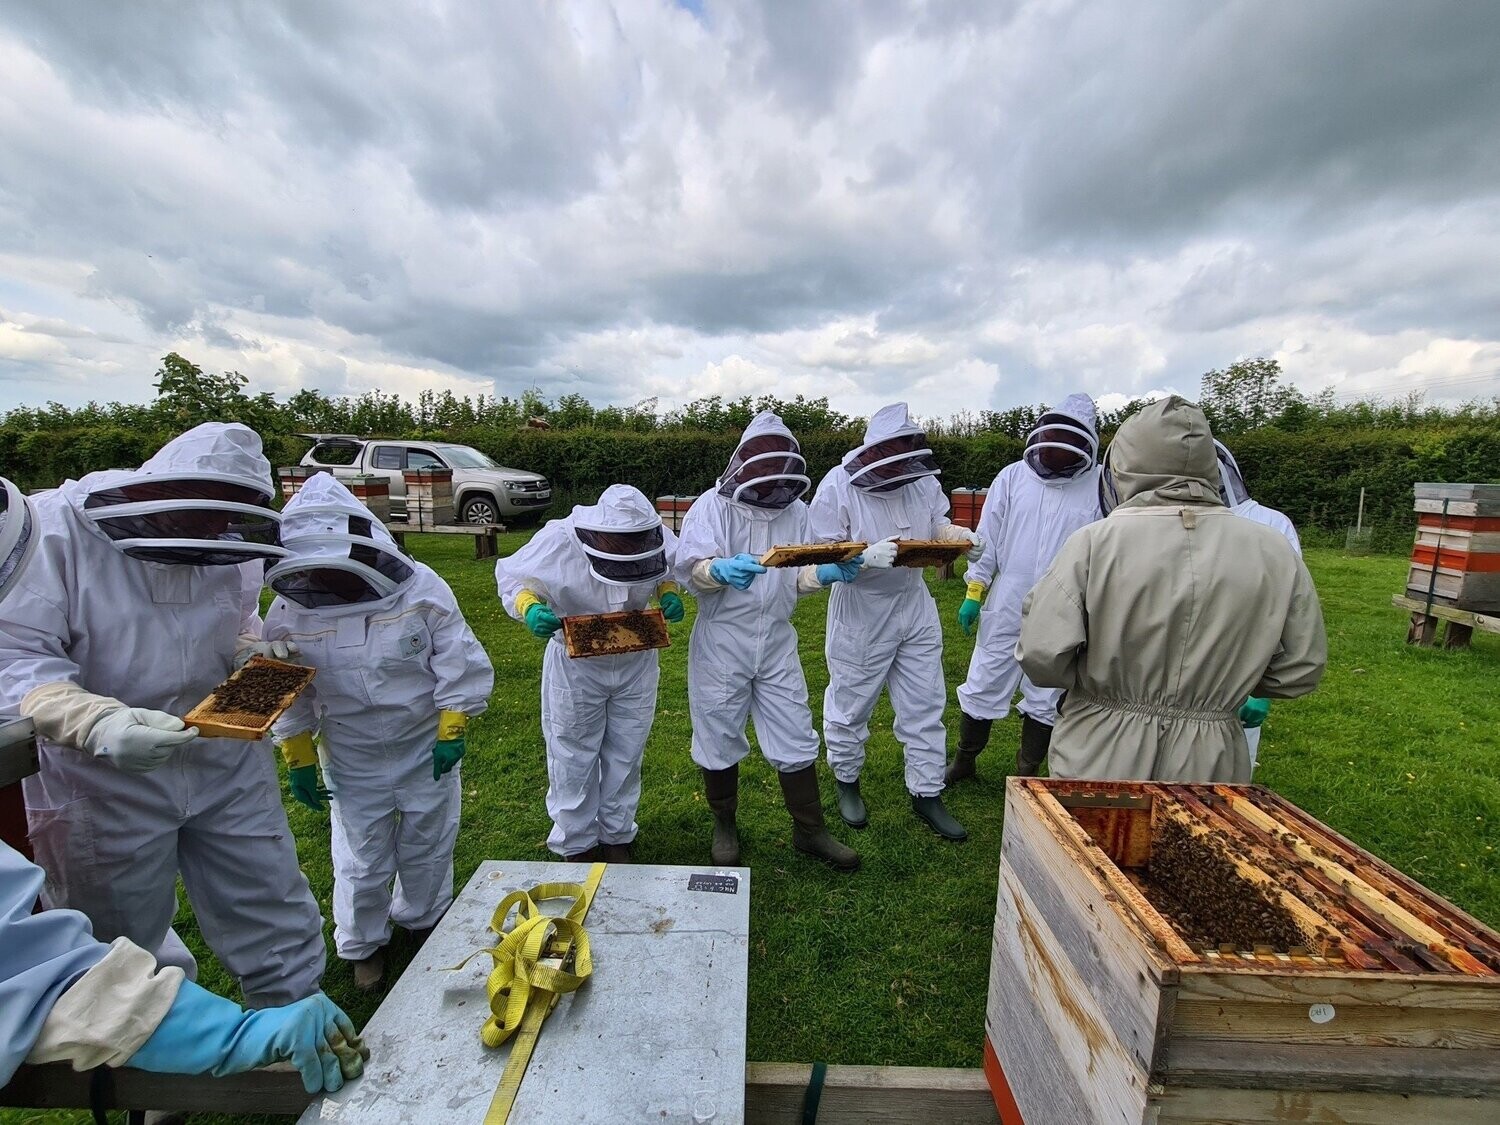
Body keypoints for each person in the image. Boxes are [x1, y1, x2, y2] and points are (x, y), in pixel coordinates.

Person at [0, 475, 360, 1094]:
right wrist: (95, 719)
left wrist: (257, 657)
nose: (213, 541)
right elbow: (16, 657)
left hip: (224, 755)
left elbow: (234, 622)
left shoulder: (229, 540)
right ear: (156, 497)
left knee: (267, 894)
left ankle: (301, 1032)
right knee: (117, 927)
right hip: (103, 772)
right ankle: (161, 1068)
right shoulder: (56, 534)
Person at [1016, 396, 1327, 782]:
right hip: (1213, 756)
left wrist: (1095, 679)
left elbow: (1042, 654)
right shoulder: (1274, 549)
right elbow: (1303, 666)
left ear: (1126, 463)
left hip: (1101, 747)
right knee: (1197, 840)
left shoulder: (1095, 543)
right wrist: (1228, 684)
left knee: (1093, 841)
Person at [264, 474, 494, 992]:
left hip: (421, 740)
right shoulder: (286, 612)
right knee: (362, 854)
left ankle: (423, 917)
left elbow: (458, 661)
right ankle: (362, 941)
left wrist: (452, 725)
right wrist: (298, 754)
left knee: (428, 839)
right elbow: (289, 688)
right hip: (349, 750)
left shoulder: (423, 589)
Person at [677, 411, 864, 871]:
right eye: (762, 468)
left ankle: (810, 830)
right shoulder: (712, 507)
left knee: (796, 731)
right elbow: (690, 569)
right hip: (723, 640)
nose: (771, 481)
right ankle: (725, 823)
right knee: (718, 731)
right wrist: (715, 570)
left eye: (778, 470)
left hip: (778, 639)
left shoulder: (796, 511)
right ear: (745, 463)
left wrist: (821, 572)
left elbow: (795, 572)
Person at [807, 403, 978, 840]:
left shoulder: (920, 480)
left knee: (925, 701)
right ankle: (847, 781)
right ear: (876, 449)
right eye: (895, 450)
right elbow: (822, 551)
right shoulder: (838, 485)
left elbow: (936, 523)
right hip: (861, 610)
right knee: (851, 703)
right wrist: (860, 558)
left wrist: (957, 537)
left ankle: (927, 792)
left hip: (914, 602)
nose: (902, 459)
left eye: (907, 449)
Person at [496, 485, 682, 864]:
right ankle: (577, 842)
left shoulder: (655, 534)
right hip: (577, 665)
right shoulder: (559, 538)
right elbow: (511, 576)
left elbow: (672, 567)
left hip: (637, 660)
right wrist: (528, 605)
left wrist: (667, 590)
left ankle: (617, 834)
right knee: (573, 753)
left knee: (627, 750)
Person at [947, 394, 1102, 783]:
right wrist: (973, 592)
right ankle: (965, 760)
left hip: (1067, 602)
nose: (1054, 454)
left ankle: (1027, 771)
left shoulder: (1100, 484)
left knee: (1047, 691)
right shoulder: (1013, 476)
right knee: (984, 677)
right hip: (1007, 598)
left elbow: (1107, 550)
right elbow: (989, 539)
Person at [1214, 439, 1303, 769]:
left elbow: (1288, 606)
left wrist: (1260, 689)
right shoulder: (1165, 521)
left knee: (1229, 780)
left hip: (1242, 666)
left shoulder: (1272, 524)